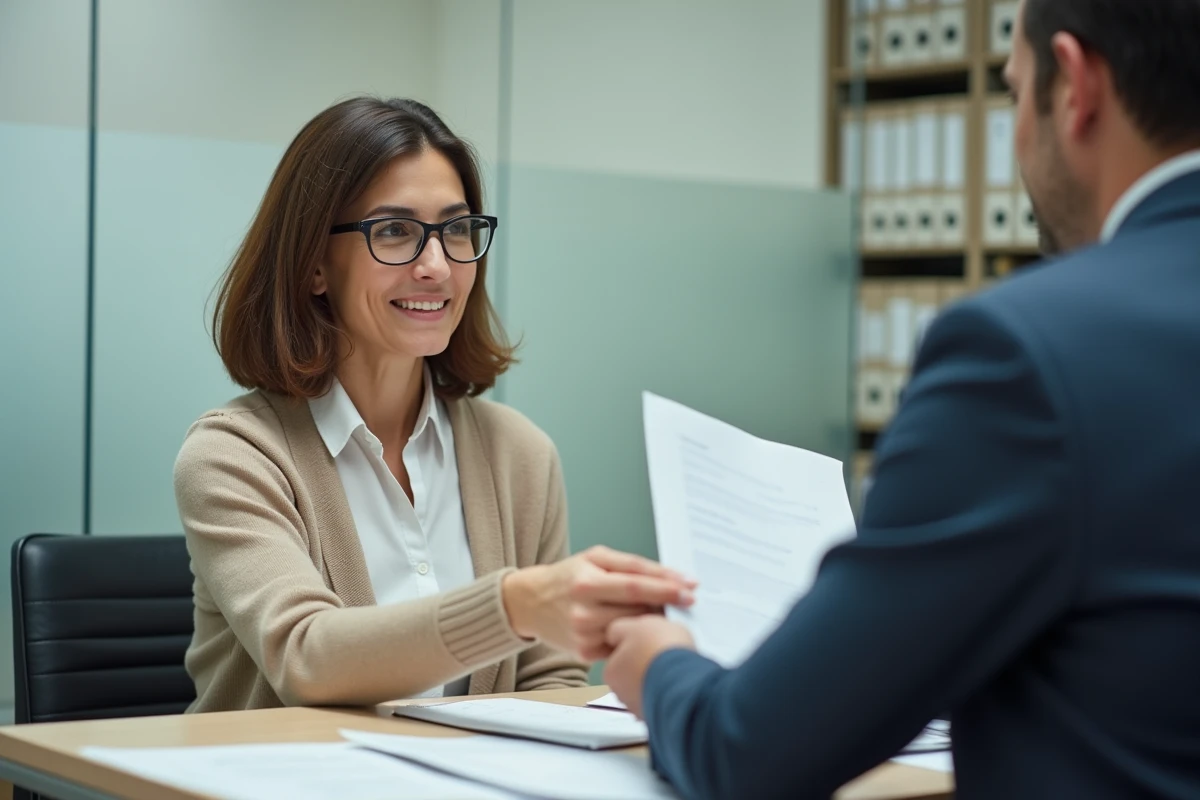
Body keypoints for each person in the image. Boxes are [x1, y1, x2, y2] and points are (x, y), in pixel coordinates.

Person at [603, 1, 1200, 797]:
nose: (1019, 136)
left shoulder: (1028, 352)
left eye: (1015, 92)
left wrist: (659, 666)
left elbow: (747, 753)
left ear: (1076, 85)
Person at [175, 97, 695, 713]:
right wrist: (514, 605)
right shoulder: (233, 456)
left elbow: (551, 680)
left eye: (456, 230)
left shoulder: (520, 455)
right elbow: (306, 657)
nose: (437, 266)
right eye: (394, 231)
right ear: (315, 265)